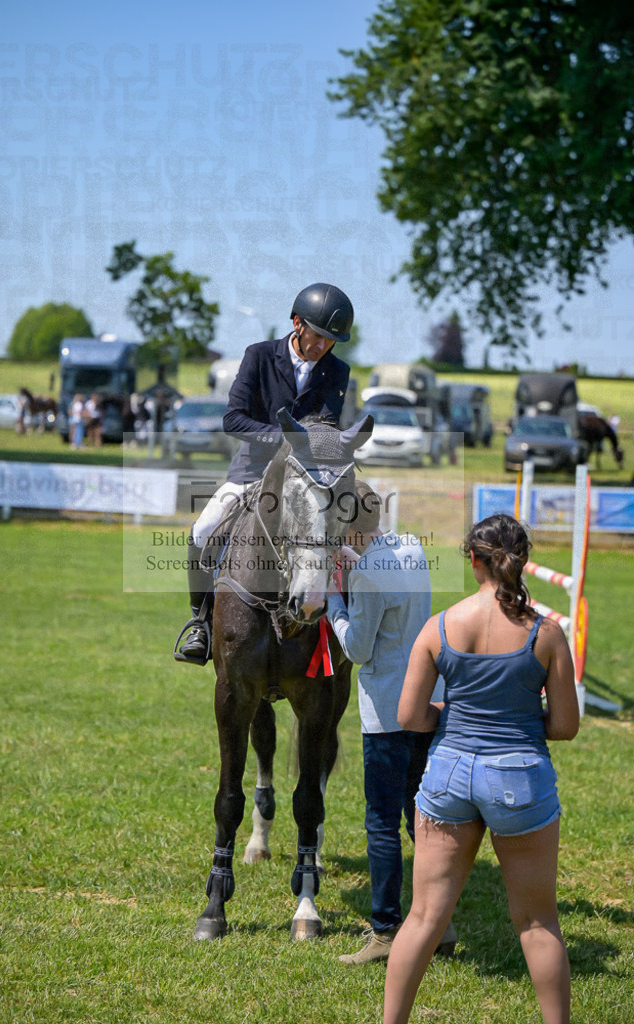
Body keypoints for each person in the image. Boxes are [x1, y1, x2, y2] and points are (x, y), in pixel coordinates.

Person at [384, 513, 579, 1024]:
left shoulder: (439, 626)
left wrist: (451, 718)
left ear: (473, 561)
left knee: (424, 918)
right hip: (520, 776)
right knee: (538, 923)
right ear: (524, 559)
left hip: (447, 773)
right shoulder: (547, 634)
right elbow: (564, 726)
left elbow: (409, 716)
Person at [175, 282, 354, 665]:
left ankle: (346, 627)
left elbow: (327, 430)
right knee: (203, 530)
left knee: (341, 537)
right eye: (318, 336)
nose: (323, 346)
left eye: (331, 340)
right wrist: (283, 439)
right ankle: (199, 623)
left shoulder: (338, 371)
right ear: (296, 323)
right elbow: (233, 419)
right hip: (252, 470)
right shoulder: (258, 356)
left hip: (305, 478)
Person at [325, 481, 456, 965]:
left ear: (346, 528)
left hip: (385, 709)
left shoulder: (363, 577)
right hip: (428, 700)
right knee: (420, 818)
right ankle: (438, 922)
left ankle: (384, 931)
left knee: (381, 822)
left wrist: (336, 602)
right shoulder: (412, 548)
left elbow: (357, 650)